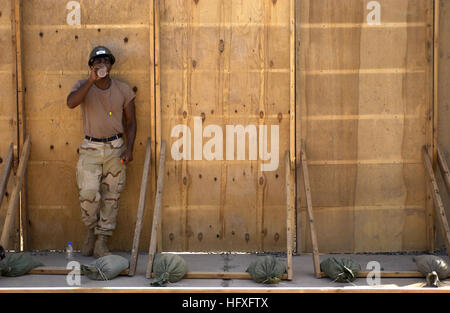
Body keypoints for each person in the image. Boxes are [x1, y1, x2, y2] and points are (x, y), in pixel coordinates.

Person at [67, 46, 137, 258]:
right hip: (90, 148)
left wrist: (130, 148)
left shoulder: (123, 89)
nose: (102, 65)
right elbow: (70, 103)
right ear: (91, 66)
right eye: (98, 62)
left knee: (111, 198)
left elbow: (131, 122)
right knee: (88, 195)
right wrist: (90, 81)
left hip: (115, 148)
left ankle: (102, 241)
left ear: (111, 65)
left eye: (106, 61)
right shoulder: (83, 85)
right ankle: (91, 230)